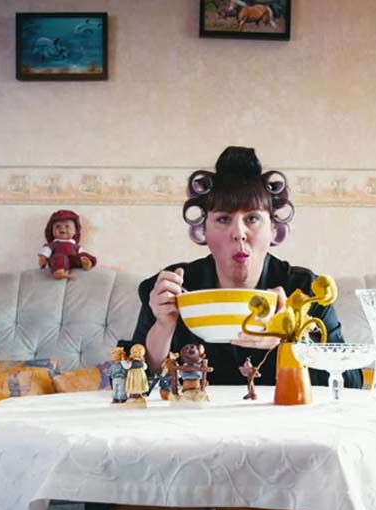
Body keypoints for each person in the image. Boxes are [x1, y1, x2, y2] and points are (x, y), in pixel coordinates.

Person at [131, 146, 362, 389]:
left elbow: (351, 384)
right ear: (203, 230)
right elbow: (129, 387)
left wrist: (293, 337)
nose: (239, 233)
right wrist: (163, 326)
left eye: (252, 218)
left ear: (274, 228)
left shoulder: (306, 291)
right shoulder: (172, 289)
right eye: (223, 219)